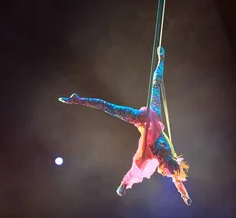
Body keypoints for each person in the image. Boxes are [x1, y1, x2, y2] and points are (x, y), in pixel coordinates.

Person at [59, 47, 191, 205]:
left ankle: (78, 100)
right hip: (145, 118)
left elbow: (177, 180)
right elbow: (136, 170)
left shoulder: (169, 157)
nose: (161, 171)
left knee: (115, 104)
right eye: (163, 169)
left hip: (151, 116)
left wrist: (185, 196)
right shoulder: (157, 156)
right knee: (111, 106)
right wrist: (124, 184)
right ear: (164, 163)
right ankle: (77, 100)